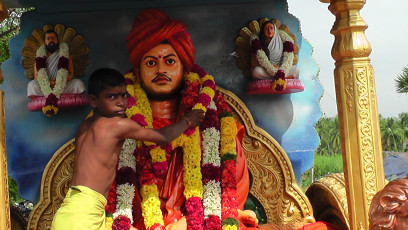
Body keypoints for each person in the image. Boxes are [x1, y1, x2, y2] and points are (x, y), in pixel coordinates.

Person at [105, 8, 261, 230]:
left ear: (185, 69)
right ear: (137, 72)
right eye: (151, 63)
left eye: (169, 61)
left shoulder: (215, 124)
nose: (161, 69)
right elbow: (105, 198)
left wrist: (188, 222)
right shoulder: (117, 127)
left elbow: (231, 190)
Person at [51, 68, 204, 230]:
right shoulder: (116, 125)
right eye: (112, 96)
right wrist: (187, 121)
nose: (121, 102)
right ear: (94, 101)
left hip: (71, 211)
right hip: (83, 217)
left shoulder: (85, 125)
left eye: (124, 95)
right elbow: (163, 137)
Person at [27, 29, 85, 97]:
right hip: (44, 87)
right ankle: (50, 95)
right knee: (32, 85)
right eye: (48, 38)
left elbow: (71, 74)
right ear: (45, 41)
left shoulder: (65, 55)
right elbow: (37, 77)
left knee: (78, 84)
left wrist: (59, 82)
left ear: (57, 40)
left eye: (53, 38)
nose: (51, 40)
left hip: (63, 86)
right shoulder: (39, 58)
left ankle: (55, 94)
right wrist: (49, 83)